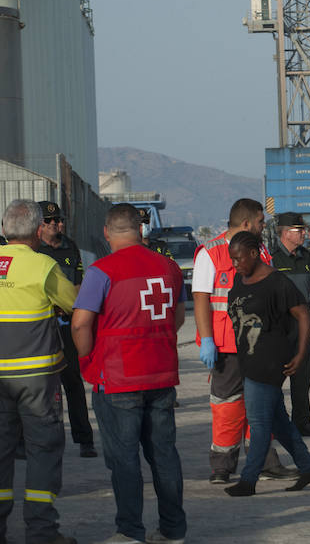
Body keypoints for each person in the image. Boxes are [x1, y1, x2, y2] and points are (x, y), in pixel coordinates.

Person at [71, 203, 187, 544]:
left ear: (107, 233)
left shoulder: (101, 271)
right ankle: (173, 530)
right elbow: (177, 317)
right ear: (141, 231)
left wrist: (86, 357)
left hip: (118, 378)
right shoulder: (169, 267)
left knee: (124, 460)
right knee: (164, 455)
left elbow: (80, 323)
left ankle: (130, 532)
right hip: (162, 375)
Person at [192, 199, 297, 484]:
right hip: (225, 346)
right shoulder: (210, 254)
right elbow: (201, 298)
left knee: (263, 405)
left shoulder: (260, 251)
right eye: (262, 222)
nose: (265, 227)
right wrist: (207, 341)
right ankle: (222, 466)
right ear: (247, 223)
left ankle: (264, 461)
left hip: (258, 343)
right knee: (227, 406)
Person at [0, 200, 78, 544]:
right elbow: (74, 302)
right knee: (43, 450)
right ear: (36, 232)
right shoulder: (43, 265)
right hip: (36, 378)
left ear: (4, 230)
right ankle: (42, 532)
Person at [222, 231, 310, 497]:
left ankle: (249, 480)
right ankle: (308, 466)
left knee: (259, 422)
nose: (236, 264)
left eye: (239, 258)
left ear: (254, 254)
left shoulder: (277, 282)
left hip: (269, 362)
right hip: (248, 360)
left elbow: (303, 313)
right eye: (232, 259)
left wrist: (301, 354)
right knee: (279, 422)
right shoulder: (239, 279)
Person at [36, 201, 97, 457]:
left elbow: (79, 283)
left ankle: (85, 439)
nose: (57, 225)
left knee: (73, 383)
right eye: (51, 221)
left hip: (66, 325)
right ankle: (41, 442)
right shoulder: (34, 251)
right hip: (41, 328)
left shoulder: (69, 246)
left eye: (59, 220)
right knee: (43, 389)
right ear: (39, 225)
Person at [269, 213, 310, 438]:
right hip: (279, 330)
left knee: (303, 378)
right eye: (298, 230)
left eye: (303, 230)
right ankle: (274, 424)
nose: (304, 233)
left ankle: (302, 422)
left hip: (302, 329)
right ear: (284, 233)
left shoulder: (306, 257)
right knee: (274, 380)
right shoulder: (272, 258)